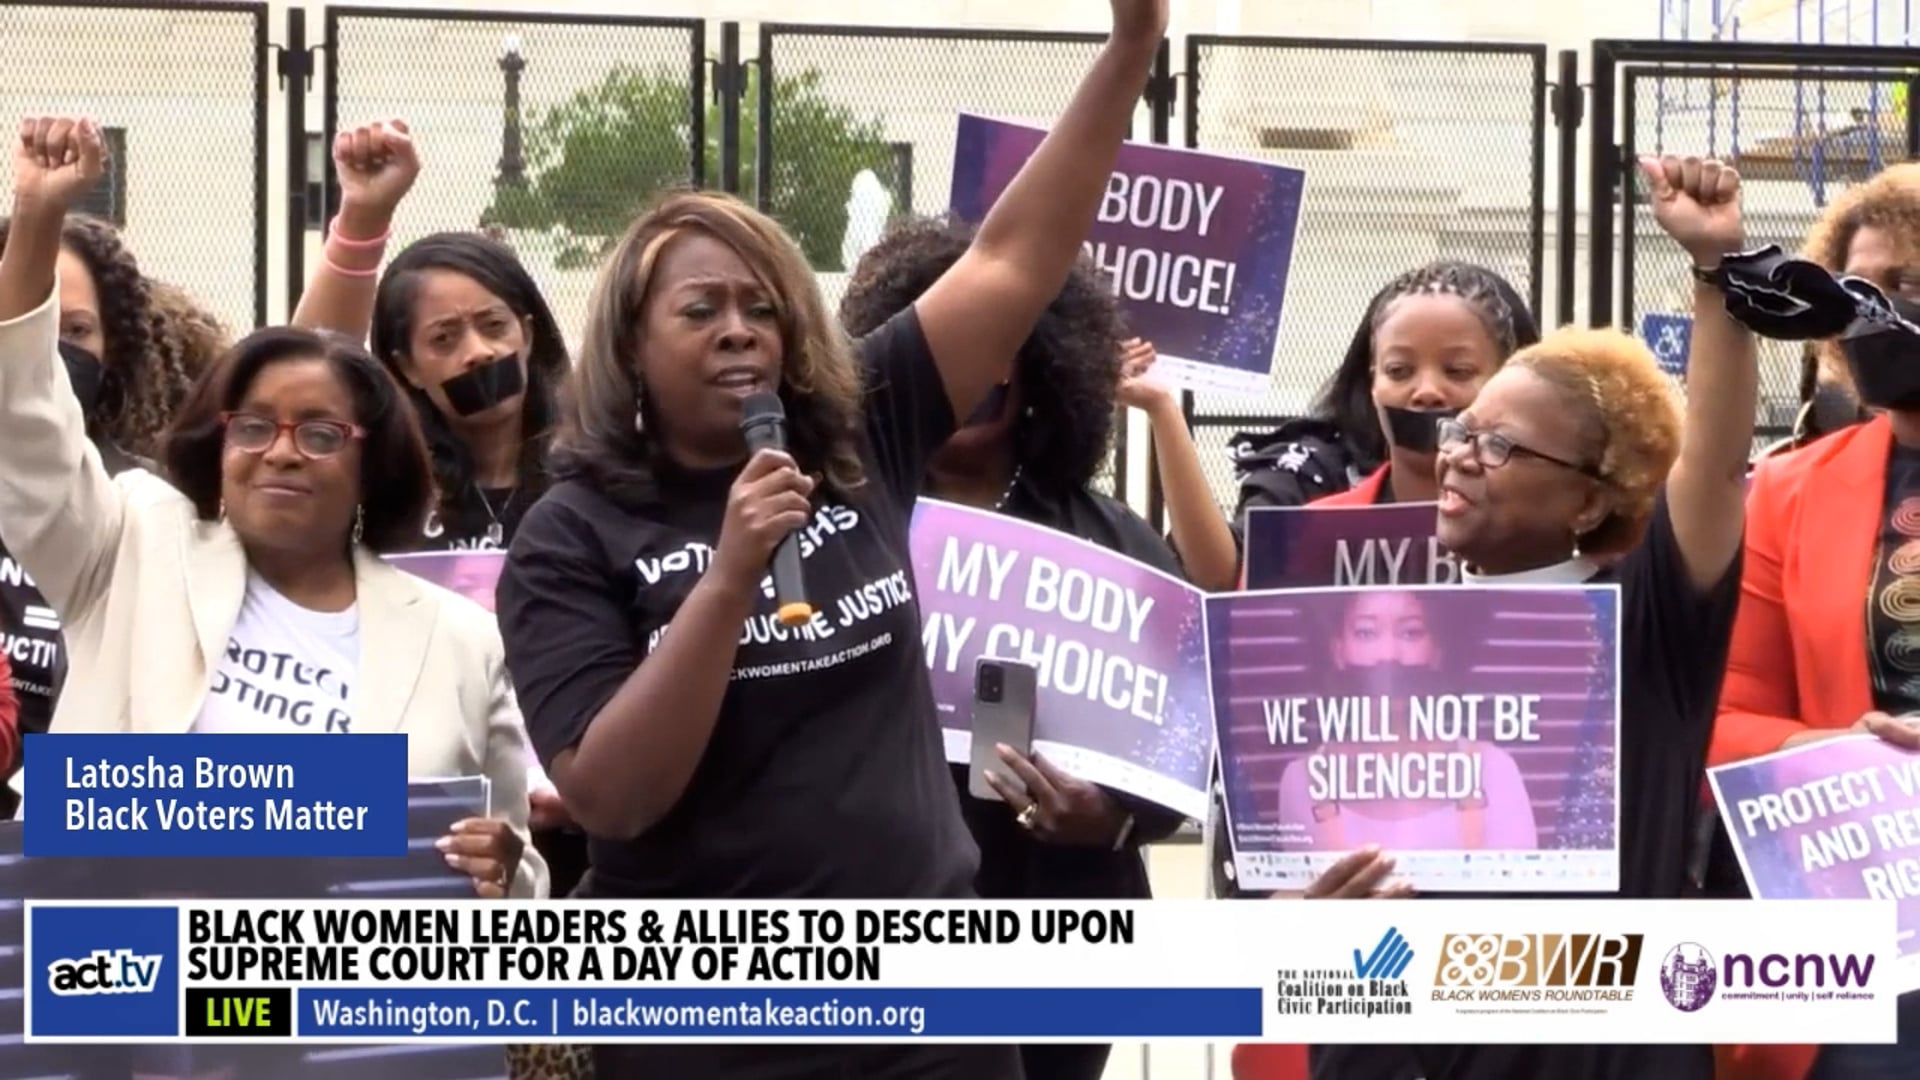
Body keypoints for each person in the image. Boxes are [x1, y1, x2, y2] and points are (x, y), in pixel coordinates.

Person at [495, 3, 1166, 1074]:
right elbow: (611, 795)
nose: (738, 330)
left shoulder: (859, 434)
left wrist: (1130, 48)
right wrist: (727, 583)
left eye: (760, 308)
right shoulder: (571, 533)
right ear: (631, 340)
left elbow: (1013, 258)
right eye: (700, 309)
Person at [1289, 153, 1755, 1080]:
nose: (1457, 455)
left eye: (1497, 443)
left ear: (1593, 499)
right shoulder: (1388, 636)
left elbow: (1711, 457)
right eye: (1464, 431)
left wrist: (1716, 274)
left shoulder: (1643, 623)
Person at [0, 116, 545, 902]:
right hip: (129, 998)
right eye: (253, 426)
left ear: (372, 462)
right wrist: (37, 211)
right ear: (218, 443)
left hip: (352, 1008)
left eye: (321, 433)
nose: (282, 451)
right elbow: (22, 414)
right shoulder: (133, 542)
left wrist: (504, 867)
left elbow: (517, 868)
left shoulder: (460, 641)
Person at [838, 214, 1190, 1080]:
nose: (970, 371)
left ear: (1041, 368)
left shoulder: (1115, 544)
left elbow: (1176, 751)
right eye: (943, 344)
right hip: (876, 923)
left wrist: (1112, 823)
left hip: (1058, 918)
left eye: (998, 345)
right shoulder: (835, 525)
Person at [1709, 162, 1920, 1080]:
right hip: (1863, 918)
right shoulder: (1789, 490)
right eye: (1861, 287)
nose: (1879, 307)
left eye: (1908, 285)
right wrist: (1832, 750)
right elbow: (1723, 713)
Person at [0, 201, 197, 796]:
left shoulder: (152, 505)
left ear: (116, 349)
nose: (47, 355)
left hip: (95, 815)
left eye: (76, 329)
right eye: (33, 324)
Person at [1230, 261, 1538, 515]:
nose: (1427, 391)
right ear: (1372, 382)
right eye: (1399, 371)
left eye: (1457, 371)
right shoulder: (1318, 525)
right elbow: (1227, 572)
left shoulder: (1550, 524)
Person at [1277, 589, 1537, 852]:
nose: (1388, 654)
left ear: (1437, 650)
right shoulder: (1300, 781)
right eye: (1366, 633)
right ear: (1338, 650)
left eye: (1411, 632)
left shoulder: (1494, 771)